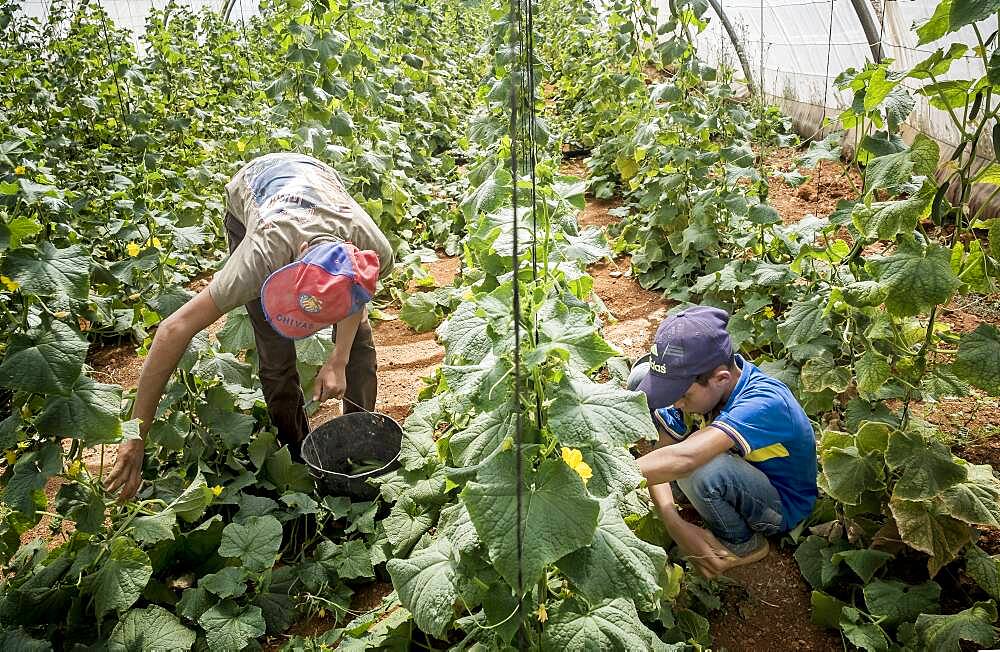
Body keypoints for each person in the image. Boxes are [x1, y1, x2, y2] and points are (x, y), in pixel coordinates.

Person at [105, 153, 394, 501]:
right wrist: (135, 436)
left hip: (315, 177)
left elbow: (357, 293)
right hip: (255, 189)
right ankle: (300, 464)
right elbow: (173, 329)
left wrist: (338, 358)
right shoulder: (259, 259)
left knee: (357, 345)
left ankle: (360, 443)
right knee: (275, 357)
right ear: (297, 254)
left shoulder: (373, 248)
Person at [628, 306, 817, 578]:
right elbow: (668, 451)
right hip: (729, 472)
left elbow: (684, 459)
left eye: (681, 395)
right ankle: (695, 497)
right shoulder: (702, 387)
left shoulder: (765, 404)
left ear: (721, 379)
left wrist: (603, 474)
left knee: (701, 470)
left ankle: (742, 544)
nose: (675, 402)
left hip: (776, 505)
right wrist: (672, 520)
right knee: (639, 381)